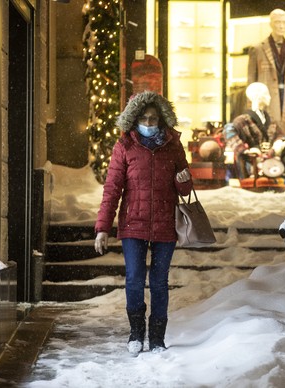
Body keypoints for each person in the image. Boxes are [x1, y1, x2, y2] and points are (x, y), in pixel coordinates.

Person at [94, 91, 193, 355]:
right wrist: (103, 227)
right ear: (135, 119)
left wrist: (183, 179)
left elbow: (185, 189)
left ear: (162, 120)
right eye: (144, 118)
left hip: (164, 225)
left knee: (159, 282)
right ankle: (136, 333)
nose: (149, 124)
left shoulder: (173, 146)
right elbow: (112, 189)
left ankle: (157, 338)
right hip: (133, 225)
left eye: (154, 119)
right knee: (135, 280)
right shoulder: (124, 146)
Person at [247, 8, 285, 141]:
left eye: (284, 22)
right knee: (267, 138)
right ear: (271, 23)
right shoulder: (257, 49)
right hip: (266, 104)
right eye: (278, 22)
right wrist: (251, 110)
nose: (281, 26)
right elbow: (251, 83)